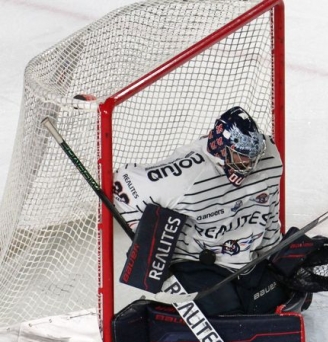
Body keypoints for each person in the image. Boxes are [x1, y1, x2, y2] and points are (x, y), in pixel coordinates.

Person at [113, 106, 308, 316]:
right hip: (199, 263)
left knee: (292, 289)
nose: (250, 163)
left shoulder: (268, 158)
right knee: (230, 318)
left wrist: (274, 254)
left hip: (246, 260)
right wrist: (146, 239)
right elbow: (122, 182)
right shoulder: (186, 176)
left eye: (253, 155)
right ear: (221, 149)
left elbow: (270, 209)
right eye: (241, 156)